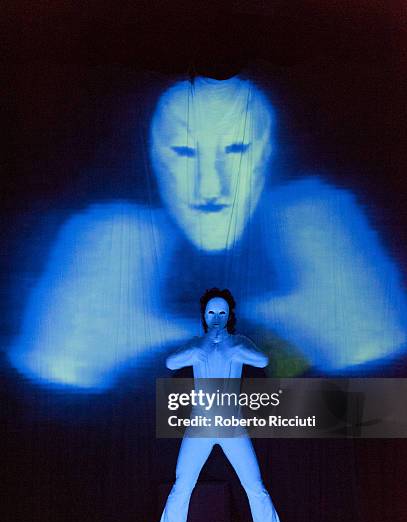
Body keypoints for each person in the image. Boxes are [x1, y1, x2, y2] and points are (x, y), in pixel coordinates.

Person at [8, 75, 407, 389]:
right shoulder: (106, 248)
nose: (210, 187)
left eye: (235, 150)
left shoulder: (322, 234)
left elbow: (372, 413)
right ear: (153, 158)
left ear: (266, 155)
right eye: (183, 152)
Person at [142, 288, 297, 522]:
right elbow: (169, 363)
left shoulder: (238, 341)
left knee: (254, 484)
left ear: (229, 315)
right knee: (183, 484)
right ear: (204, 314)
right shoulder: (195, 343)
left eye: (222, 312)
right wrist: (199, 347)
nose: (216, 317)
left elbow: (263, 360)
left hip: (232, 425)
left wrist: (233, 347)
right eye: (211, 312)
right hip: (200, 425)